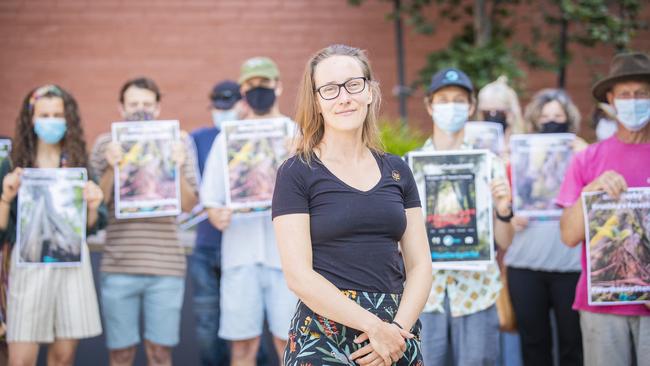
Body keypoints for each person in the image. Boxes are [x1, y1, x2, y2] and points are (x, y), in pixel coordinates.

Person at [272, 43, 432, 366]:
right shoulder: (296, 173)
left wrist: (397, 330)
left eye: (353, 85)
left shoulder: (398, 170)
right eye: (329, 89)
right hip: (323, 333)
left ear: (370, 92)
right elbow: (298, 276)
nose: (344, 97)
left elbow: (420, 266)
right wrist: (373, 327)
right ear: (316, 102)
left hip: (396, 332)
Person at [89, 77, 199, 366]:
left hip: (166, 266)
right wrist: (112, 167)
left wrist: (175, 168)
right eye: (134, 104)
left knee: (160, 354)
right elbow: (96, 203)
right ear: (121, 108)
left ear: (158, 108)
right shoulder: (105, 144)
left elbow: (189, 204)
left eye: (147, 104)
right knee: (121, 354)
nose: (141, 109)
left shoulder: (180, 142)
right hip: (119, 264)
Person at [0, 84, 106, 366]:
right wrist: (5, 198)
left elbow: (89, 227)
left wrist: (93, 206)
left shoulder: (79, 163)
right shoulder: (12, 164)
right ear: (30, 118)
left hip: (71, 266)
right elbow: (1, 230)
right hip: (27, 267)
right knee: (20, 360)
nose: (51, 121)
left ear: (68, 118)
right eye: (44, 115)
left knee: (63, 358)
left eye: (57, 114)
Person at [200, 58, 296, 366]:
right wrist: (218, 215)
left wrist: (297, 156)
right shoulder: (227, 139)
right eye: (251, 86)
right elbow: (211, 200)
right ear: (243, 90)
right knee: (243, 347)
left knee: (290, 344)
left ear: (278, 86)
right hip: (240, 257)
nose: (258, 91)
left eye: (264, 85)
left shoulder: (298, 135)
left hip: (289, 261)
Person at [416, 67, 515, 365]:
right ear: (429, 105)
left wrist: (503, 209)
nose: (451, 107)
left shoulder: (489, 165)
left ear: (471, 107)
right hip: (426, 295)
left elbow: (505, 241)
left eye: (458, 100)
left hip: (477, 292)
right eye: (443, 100)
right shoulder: (410, 168)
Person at [558, 52, 650, 366]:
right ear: (611, 99)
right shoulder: (588, 159)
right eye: (625, 94)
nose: (633, 101)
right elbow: (568, 236)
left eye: (641, 93)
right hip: (601, 304)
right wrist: (590, 192)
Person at [504, 88, 584, 366]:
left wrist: (586, 156)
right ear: (534, 121)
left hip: (571, 266)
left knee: (573, 345)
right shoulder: (517, 160)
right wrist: (511, 215)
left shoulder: (582, 157)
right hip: (525, 266)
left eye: (558, 116)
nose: (551, 121)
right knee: (533, 345)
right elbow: (505, 208)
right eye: (545, 116)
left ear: (569, 120)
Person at [189, 80, 243, 366]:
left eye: (229, 106)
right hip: (206, 247)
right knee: (208, 330)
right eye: (218, 108)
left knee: (247, 331)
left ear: (242, 104)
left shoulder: (257, 136)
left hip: (245, 246)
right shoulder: (196, 138)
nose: (223, 112)